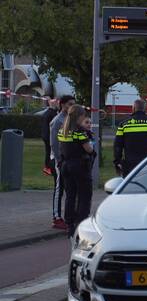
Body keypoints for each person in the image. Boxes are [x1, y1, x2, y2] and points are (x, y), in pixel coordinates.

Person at [57, 105, 95, 238]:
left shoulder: (63, 130)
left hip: (65, 166)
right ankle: (81, 224)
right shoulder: (79, 131)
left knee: (70, 196)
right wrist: (92, 146)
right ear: (79, 116)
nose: (84, 118)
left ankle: (70, 224)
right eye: (83, 116)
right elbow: (88, 149)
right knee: (85, 196)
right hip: (79, 166)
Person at [113, 99, 147, 176]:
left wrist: (117, 162)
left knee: (130, 186)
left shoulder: (124, 124)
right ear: (144, 109)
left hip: (129, 164)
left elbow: (117, 145)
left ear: (133, 108)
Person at [48, 95, 75, 230]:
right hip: (60, 160)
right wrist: (59, 160)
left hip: (69, 158)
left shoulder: (70, 119)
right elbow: (53, 142)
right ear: (62, 104)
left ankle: (69, 215)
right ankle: (56, 217)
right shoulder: (58, 121)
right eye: (69, 104)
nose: (72, 107)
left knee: (68, 187)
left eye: (73, 104)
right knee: (59, 187)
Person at [41, 98, 58, 177]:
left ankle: (47, 167)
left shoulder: (46, 113)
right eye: (55, 102)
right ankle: (49, 168)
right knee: (50, 152)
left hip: (45, 135)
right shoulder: (53, 113)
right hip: (49, 136)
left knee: (48, 151)